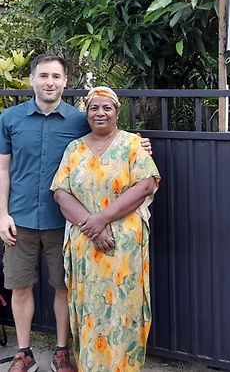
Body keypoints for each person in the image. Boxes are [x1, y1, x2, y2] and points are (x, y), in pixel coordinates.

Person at [0, 55, 152, 372]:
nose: (49, 82)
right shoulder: (9, 118)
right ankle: (23, 353)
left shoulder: (77, 119)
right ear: (32, 79)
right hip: (22, 217)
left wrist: (141, 144)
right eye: (43, 75)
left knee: (63, 287)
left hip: (65, 224)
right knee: (20, 286)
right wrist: (2, 214)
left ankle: (61, 352)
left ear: (65, 81)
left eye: (56, 76)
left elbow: (108, 132)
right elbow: (4, 168)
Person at [50, 86, 160, 372]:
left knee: (123, 308)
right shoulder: (74, 149)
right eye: (94, 108)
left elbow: (146, 184)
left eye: (106, 108)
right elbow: (61, 193)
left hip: (123, 245)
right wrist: (93, 226)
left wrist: (102, 220)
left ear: (116, 112)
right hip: (85, 243)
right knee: (90, 307)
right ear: (87, 113)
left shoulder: (132, 145)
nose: (100, 113)